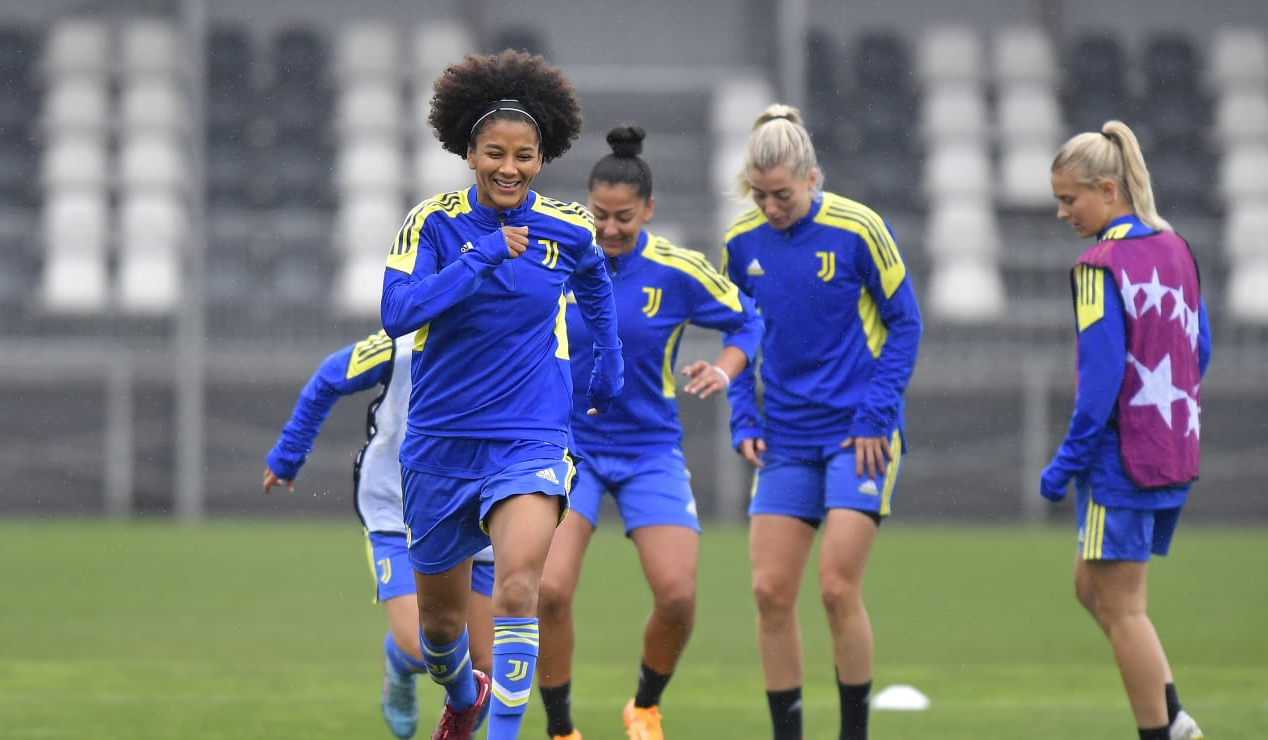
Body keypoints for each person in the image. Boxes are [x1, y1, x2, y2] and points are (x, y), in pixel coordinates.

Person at [379, 50, 623, 740]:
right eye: (494, 153)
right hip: (438, 445)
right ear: (469, 152)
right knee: (441, 631)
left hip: (531, 436)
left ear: (542, 158)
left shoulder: (569, 228)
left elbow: (596, 289)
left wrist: (610, 364)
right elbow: (397, 312)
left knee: (522, 588)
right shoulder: (433, 223)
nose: (508, 168)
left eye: (523, 155)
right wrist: (482, 255)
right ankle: (464, 696)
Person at [535, 125, 764, 740]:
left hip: (648, 451)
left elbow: (748, 321)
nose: (609, 229)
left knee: (678, 598)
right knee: (549, 590)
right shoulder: (558, 262)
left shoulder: (677, 269)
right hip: (567, 450)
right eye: (600, 215)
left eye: (624, 218)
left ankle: (643, 706)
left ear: (649, 211)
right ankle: (561, 730)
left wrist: (725, 368)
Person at [720, 104, 922, 740]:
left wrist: (875, 415)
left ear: (812, 179)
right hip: (784, 439)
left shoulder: (860, 228)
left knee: (837, 588)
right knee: (770, 593)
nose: (770, 207)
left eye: (781, 194)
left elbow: (905, 324)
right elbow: (738, 333)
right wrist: (743, 413)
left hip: (858, 437)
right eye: (759, 195)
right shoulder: (741, 241)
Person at [1044, 120, 1210, 740]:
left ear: (1108, 190)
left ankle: (1163, 732)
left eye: (1070, 199)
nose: (1063, 213)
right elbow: (1201, 347)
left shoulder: (1098, 267)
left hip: (1121, 458)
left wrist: (1067, 460)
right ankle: (1175, 717)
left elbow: (1101, 378)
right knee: (1091, 587)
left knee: (1121, 605)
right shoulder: (1176, 249)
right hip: (1173, 446)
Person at [261, 330, 495, 739]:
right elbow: (331, 375)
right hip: (397, 509)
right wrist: (288, 455)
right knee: (423, 645)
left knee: (483, 665)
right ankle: (399, 660)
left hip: (479, 512)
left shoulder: (515, 344)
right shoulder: (402, 346)